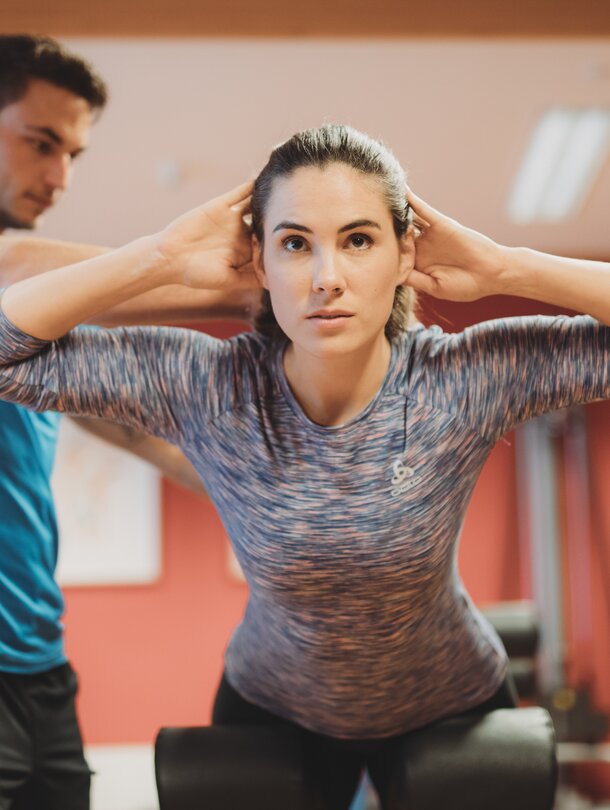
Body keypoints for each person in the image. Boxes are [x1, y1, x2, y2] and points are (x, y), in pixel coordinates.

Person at [1, 123, 609, 809]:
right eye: (295, 244)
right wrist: (159, 257)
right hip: (273, 710)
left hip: (451, 703)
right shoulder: (206, 384)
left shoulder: (463, 377)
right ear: (259, 262)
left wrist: (509, 268)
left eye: (358, 239)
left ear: (403, 251)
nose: (327, 279)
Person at [0, 34, 255, 810]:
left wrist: (263, 489)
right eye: (41, 143)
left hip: (39, 664)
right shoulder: (19, 278)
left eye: (73, 153)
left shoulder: (34, 330)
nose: (60, 177)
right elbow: (12, 268)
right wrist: (256, 284)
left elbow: (126, 424)